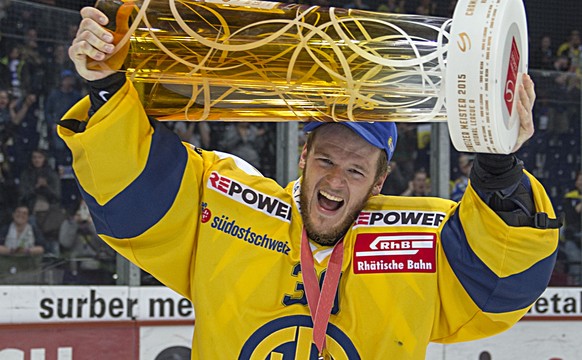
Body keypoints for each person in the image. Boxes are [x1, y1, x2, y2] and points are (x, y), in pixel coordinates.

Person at [60, 7, 560, 359]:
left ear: (381, 179)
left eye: (356, 169)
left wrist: (499, 162)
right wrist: (105, 84)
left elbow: (503, 284)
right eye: (326, 159)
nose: (336, 179)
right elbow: (129, 196)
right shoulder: (227, 204)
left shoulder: (423, 243)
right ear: (303, 155)